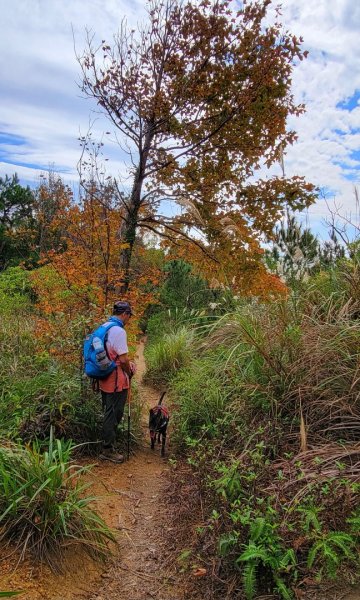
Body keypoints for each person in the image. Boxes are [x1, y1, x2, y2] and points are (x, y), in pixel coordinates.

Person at [99, 300, 136, 463]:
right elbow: (123, 359)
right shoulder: (119, 331)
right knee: (114, 413)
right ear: (124, 314)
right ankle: (108, 449)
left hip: (104, 377)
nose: (129, 319)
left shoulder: (105, 326)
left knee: (109, 411)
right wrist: (130, 371)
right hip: (116, 380)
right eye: (129, 315)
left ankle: (109, 445)